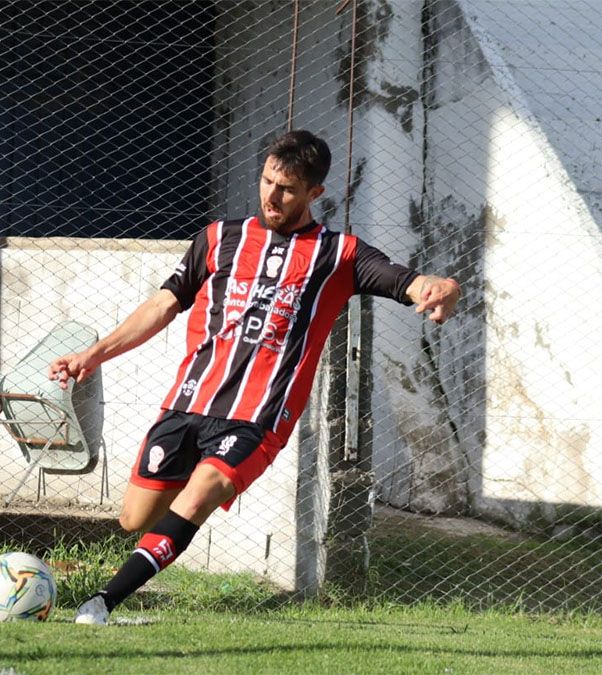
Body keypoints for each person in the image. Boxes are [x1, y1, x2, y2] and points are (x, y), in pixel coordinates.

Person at [50, 130, 461, 624]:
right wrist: (93, 355)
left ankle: (102, 601)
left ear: (314, 193)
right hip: (188, 402)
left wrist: (443, 287)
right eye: (267, 181)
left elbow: (411, 283)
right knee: (134, 517)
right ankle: (158, 543)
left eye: (287, 189)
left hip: (259, 415)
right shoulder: (218, 238)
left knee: (202, 492)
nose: (272, 196)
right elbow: (162, 305)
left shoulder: (340, 255)